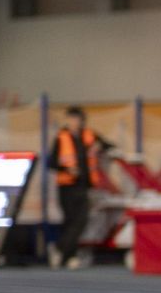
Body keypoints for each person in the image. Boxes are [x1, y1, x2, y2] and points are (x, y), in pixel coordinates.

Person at [47, 105, 114, 269]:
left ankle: (61, 250)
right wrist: (67, 169)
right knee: (70, 220)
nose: (74, 122)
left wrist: (100, 146)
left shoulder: (89, 135)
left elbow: (110, 145)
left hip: (83, 185)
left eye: (77, 119)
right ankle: (67, 255)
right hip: (66, 186)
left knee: (81, 220)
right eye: (71, 119)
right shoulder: (61, 137)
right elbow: (51, 162)